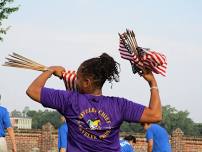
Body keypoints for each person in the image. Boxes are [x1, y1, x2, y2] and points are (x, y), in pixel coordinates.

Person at [26, 52, 162, 152]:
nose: (74, 80)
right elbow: (155, 115)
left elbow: (32, 90)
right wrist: (152, 82)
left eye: (77, 78)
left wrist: (50, 70)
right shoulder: (119, 105)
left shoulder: (69, 100)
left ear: (87, 82)